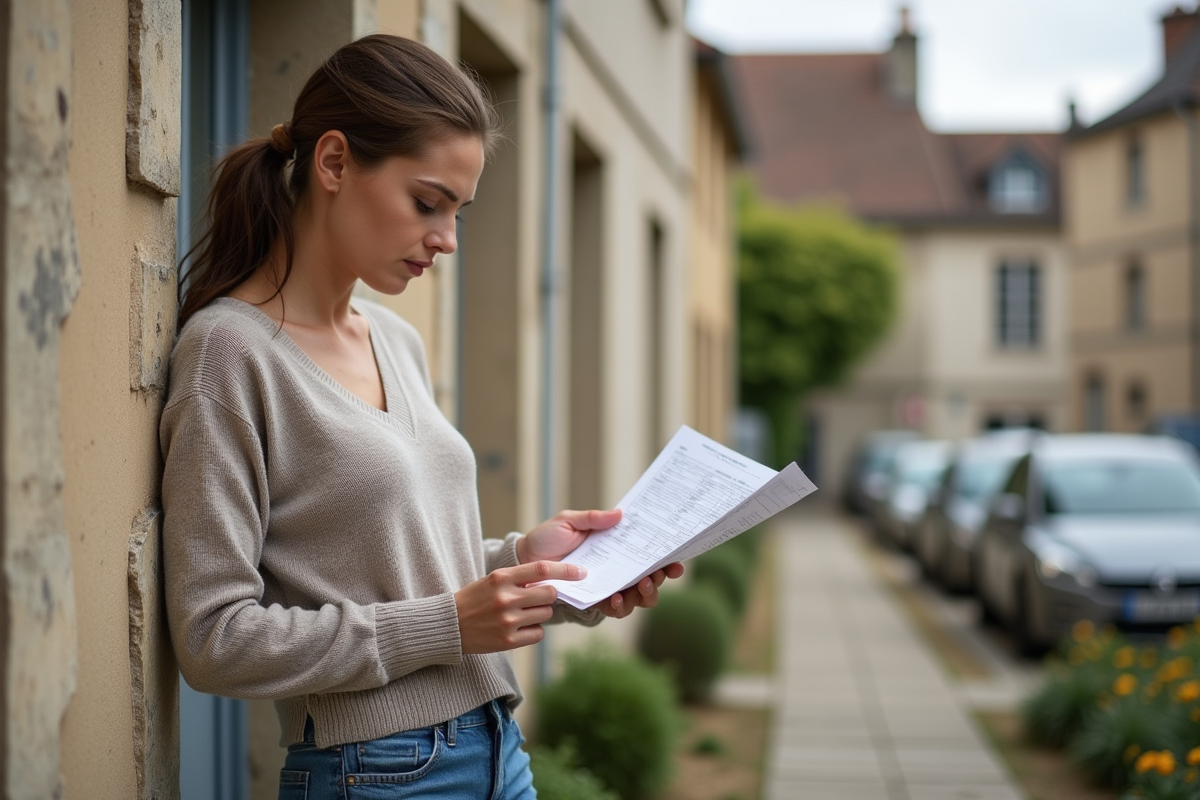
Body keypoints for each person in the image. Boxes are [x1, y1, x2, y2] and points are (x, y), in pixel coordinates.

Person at [160, 34, 684, 800]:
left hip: (497, 745)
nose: (445, 239)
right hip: (374, 772)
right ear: (333, 163)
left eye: (459, 213)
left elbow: (388, 569)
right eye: (427, 203)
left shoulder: (394, 339)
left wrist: (526, 565)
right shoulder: (228, 356)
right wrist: (448, 625)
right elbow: (214, 639)